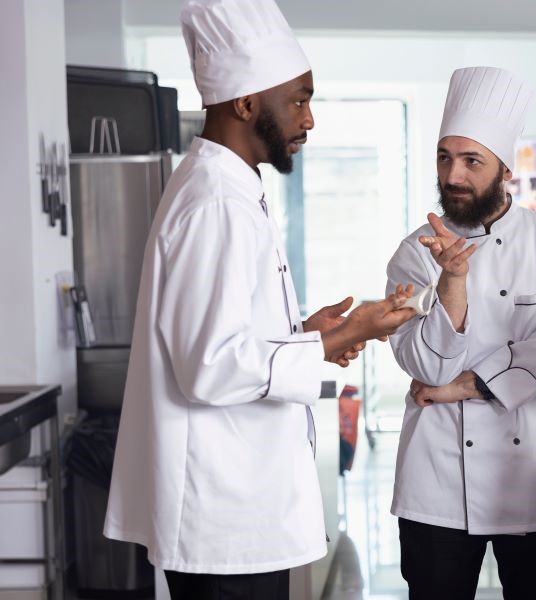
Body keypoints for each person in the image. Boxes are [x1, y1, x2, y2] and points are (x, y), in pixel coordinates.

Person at [103, 1, 415, 597]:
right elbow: (209, 367)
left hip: (235, 509)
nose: (310, 119)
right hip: (224, 516)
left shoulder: (230, 189)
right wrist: (344, 336)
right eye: (298, 99)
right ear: (245, 104)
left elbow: (218, 336)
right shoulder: (216, 202)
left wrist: (303, 333)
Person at [384, 66, 536, 600]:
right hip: (436, 486)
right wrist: (453, 280)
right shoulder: (415, 252)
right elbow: (427, 367)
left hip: (531, 481)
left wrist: (464, 386)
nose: (453, 175)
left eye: (471, 161)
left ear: (505, 170)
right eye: (444, 157)